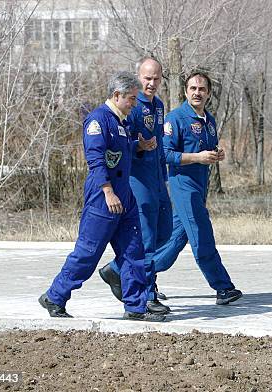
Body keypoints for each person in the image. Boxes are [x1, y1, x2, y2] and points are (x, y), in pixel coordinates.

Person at [38, 71, 166, 322]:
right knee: (88, 252)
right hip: (103, 197)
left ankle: (136, 306)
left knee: (133, 252)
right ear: (117, 95)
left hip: (124, 196)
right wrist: (107, 192)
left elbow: (121, 151)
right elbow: (96, 161)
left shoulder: (122, 122)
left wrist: (139, 146)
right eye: (131, 98)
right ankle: (55, 296)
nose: (133, 103)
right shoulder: (98, 121)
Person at [154, 70, 242, 305]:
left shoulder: (209, 121)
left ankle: (126, 272)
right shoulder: (175, 119)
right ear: (185, 91)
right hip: (183, 187)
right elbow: (165, 154)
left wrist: (216, 154)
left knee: (173, 242)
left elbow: (207, 151)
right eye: (193, 88)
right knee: (202, 235)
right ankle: (223, 288)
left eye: (202, 89)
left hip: (200, 187)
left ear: (209, 93)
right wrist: (197, 157)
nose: (197, 93)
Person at [98, 57, 172, 314]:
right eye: (146, 78)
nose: (151, 84)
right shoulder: (131, 105)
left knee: (166, 231)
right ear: (138, 77)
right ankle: (146, 293)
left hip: (157, 178)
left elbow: (160, 143)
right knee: (147, 238)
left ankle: (116, 270)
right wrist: (138, 146)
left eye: (156, 78)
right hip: (137, 179)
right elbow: (120, 145)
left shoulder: (159, 106)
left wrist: (164, 177)